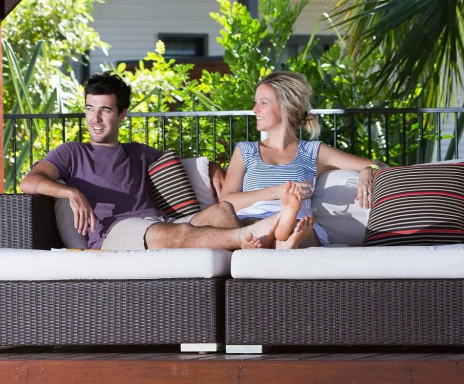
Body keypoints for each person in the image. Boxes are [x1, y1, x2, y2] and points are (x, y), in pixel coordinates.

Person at [19, 72, 307, 251]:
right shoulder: (71, 152)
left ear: (121, 115)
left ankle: (267, 244)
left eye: (105, 110)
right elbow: (29, 182)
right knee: (175, 233)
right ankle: (253, 234)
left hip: (160, 222)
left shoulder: (139, 153)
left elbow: (183, 163)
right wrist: (71, 192)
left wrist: (213, 168)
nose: (95, 118)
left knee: (222, 211)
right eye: (89, 109)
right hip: (115, 232)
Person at [220, 71, 383, 247]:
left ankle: (282, 238)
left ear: (285, 106)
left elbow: (378, 164)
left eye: (263, 103)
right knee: (253, 226)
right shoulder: (245, 151)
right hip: (253, 223)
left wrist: (368, 170)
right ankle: (281, 241)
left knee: (299, 228)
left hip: (298, 222)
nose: (254, 109)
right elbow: (227, 201)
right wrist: (278, 192)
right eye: (256, 102)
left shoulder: (313, 151)